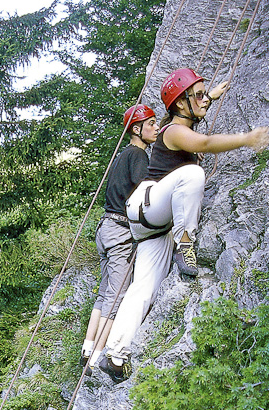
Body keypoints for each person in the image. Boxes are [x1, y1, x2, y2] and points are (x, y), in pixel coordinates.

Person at [99, 68, 269, 383]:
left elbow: (197, 113)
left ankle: (115, 355)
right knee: (193, 175)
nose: (205, 99)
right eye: (198, 95)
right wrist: (246, 139)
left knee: (143, 288)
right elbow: (203, 143)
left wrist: (211, 94)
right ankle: (186, 243)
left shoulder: (179, 119)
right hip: (151, 205)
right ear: (180, 105)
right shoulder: (174, 130)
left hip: (151, 222)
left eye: (206, 94)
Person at [80, 104, 159, 376]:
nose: (156, 128)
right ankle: (97, 358)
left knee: (105, 294)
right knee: (117, 296)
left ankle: (88, 348)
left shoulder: (123, 155)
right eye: (150, 124)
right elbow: (145, 187)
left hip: (105, 228)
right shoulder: (138, 154)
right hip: (119, 231)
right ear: (136, 129)